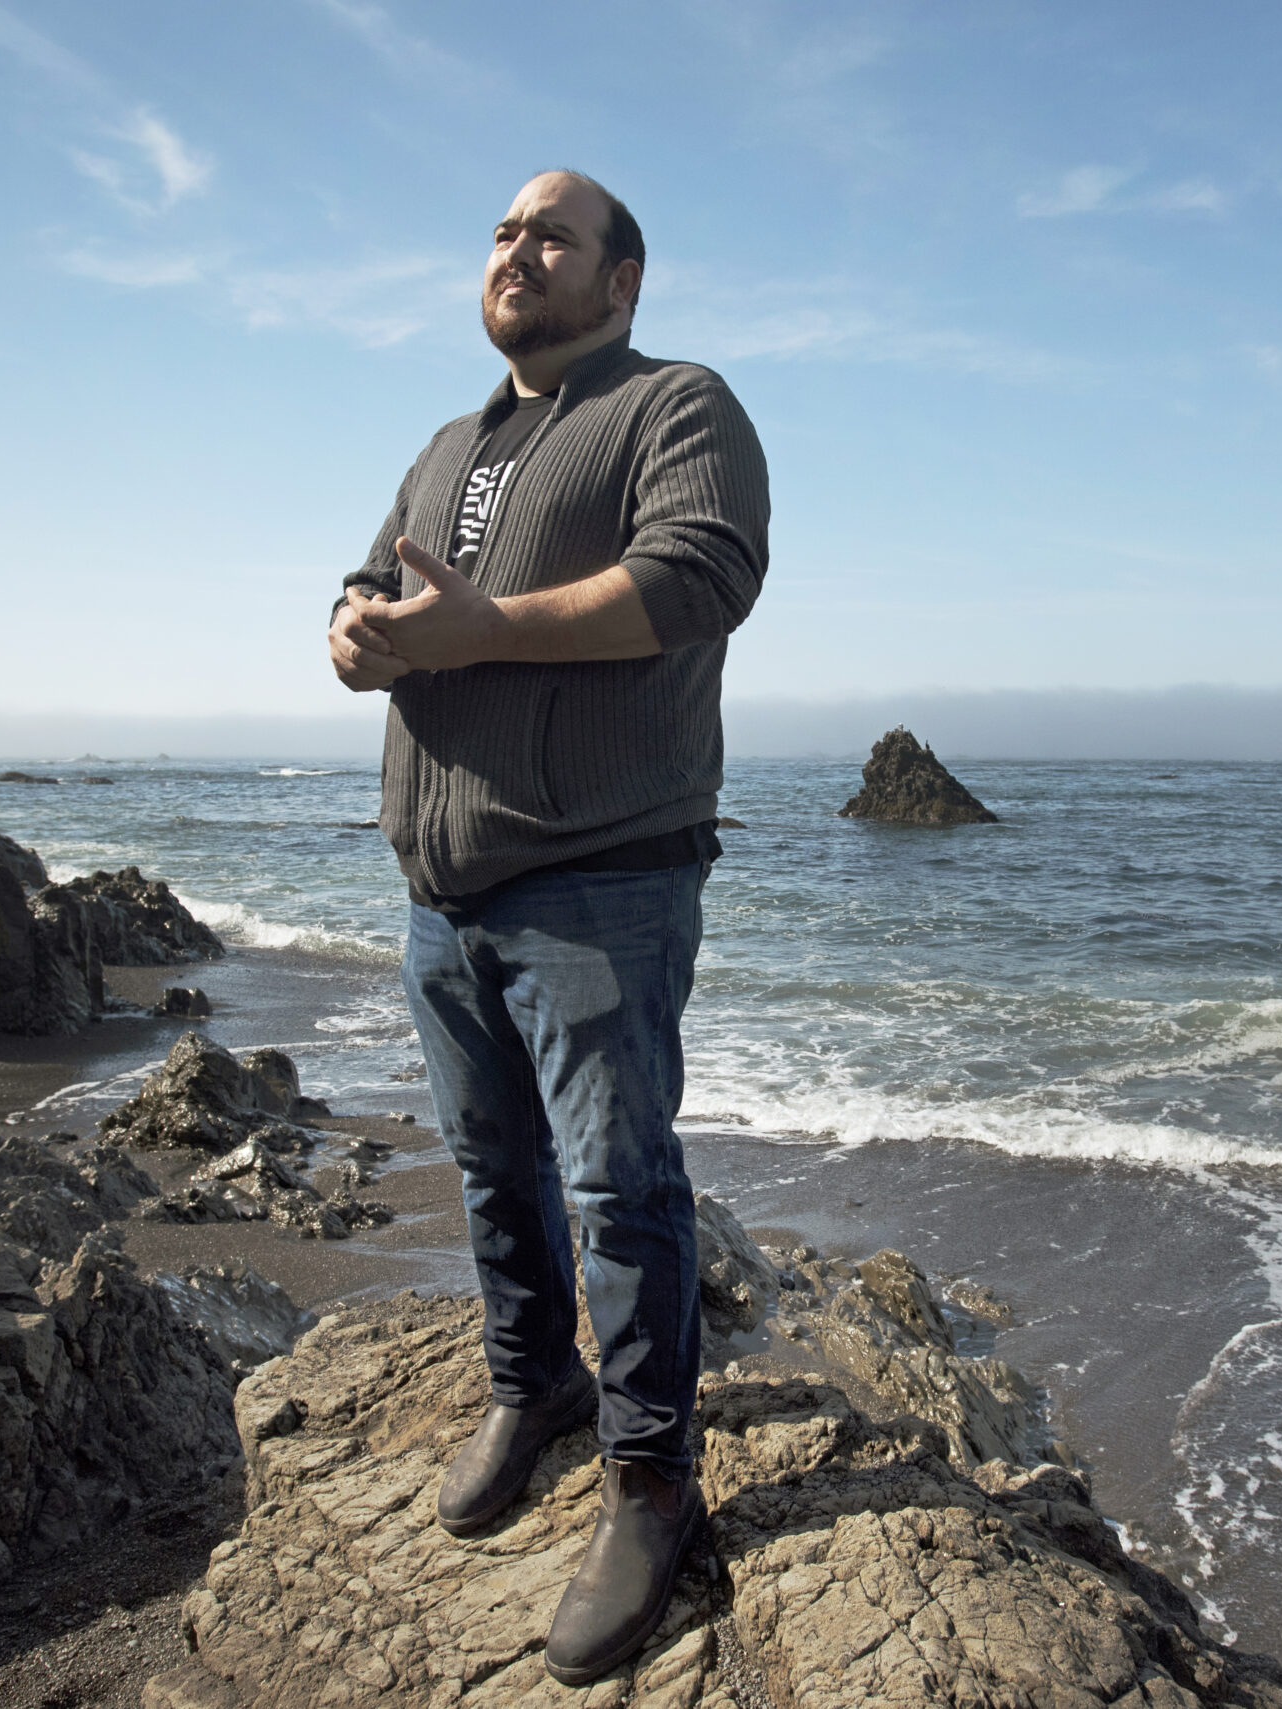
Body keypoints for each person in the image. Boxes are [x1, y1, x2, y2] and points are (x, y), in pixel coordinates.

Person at [326, 169, 768, 1685]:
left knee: (619, 1183)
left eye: (552, 236)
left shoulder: (674, 406)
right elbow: (369, 584)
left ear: (622, 279)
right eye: (504, 234)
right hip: (443, 893)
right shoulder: (452, 442)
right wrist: (355, 628)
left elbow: (700, 577)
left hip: (604, 879)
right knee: (486, 1160)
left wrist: (479, 630)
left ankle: (651, 1476)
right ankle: (535, 1385)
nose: (518, 252)